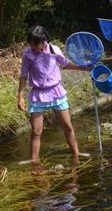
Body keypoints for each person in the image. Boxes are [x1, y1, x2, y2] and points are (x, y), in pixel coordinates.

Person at [17, 25, 89, 164]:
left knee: (67, 126)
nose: (32, 46)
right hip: (38, 95)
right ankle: (34, 161)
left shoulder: (53, 49)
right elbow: (24, 76)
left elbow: (66, 64)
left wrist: (84, 68)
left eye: (35, 44)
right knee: (36, 132)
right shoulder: (28, 54)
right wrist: (20, 96)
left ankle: (76, 154)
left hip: (56, 92)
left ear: (44, 41)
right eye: (30, 44)